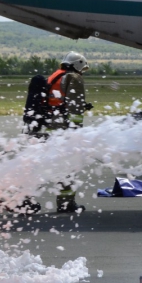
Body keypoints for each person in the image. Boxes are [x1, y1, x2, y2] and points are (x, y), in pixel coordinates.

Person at [48, 52, 93, 213]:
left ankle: (23, 201)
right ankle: (66, 204)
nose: (82, 71)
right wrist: (75, 132)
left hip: (49, 127)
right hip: (64, 130)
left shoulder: (55, 76)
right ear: (78, 65)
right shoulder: (74, 78)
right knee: (68, 167)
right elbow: (74, 108)